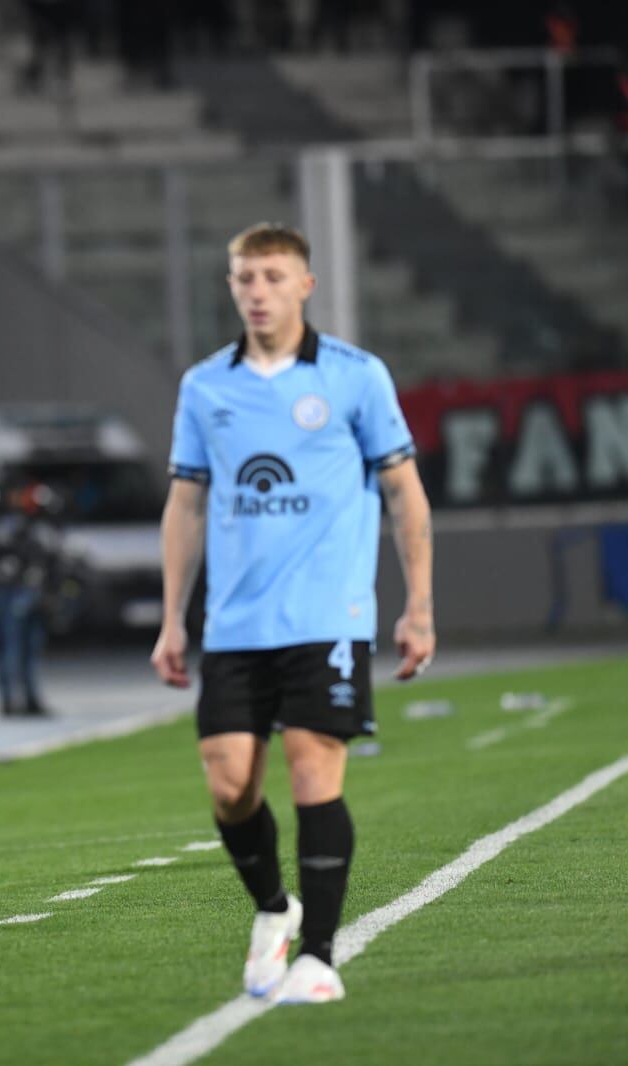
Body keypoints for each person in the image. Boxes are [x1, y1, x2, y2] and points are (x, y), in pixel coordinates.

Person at [150, 223, 435, 1004]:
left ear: (305, 285)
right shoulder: (205, 386)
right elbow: (186, 502)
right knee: (230, 783)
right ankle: (274, 910)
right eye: (245, 278)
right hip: (236, 624)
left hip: (328, 616)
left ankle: (318, 956)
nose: (258, 292)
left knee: (314, 768)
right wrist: (173, 618)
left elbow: (404, 491)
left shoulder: (354, 376)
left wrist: (418, 606)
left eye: (274, 277)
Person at [0, 482, 62, 717]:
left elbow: (50, 553)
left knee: (31, 647)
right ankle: (9, 700)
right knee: (11, 646)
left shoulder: (36, 521)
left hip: (33, 589)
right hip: (7, 590)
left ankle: (31, 698)